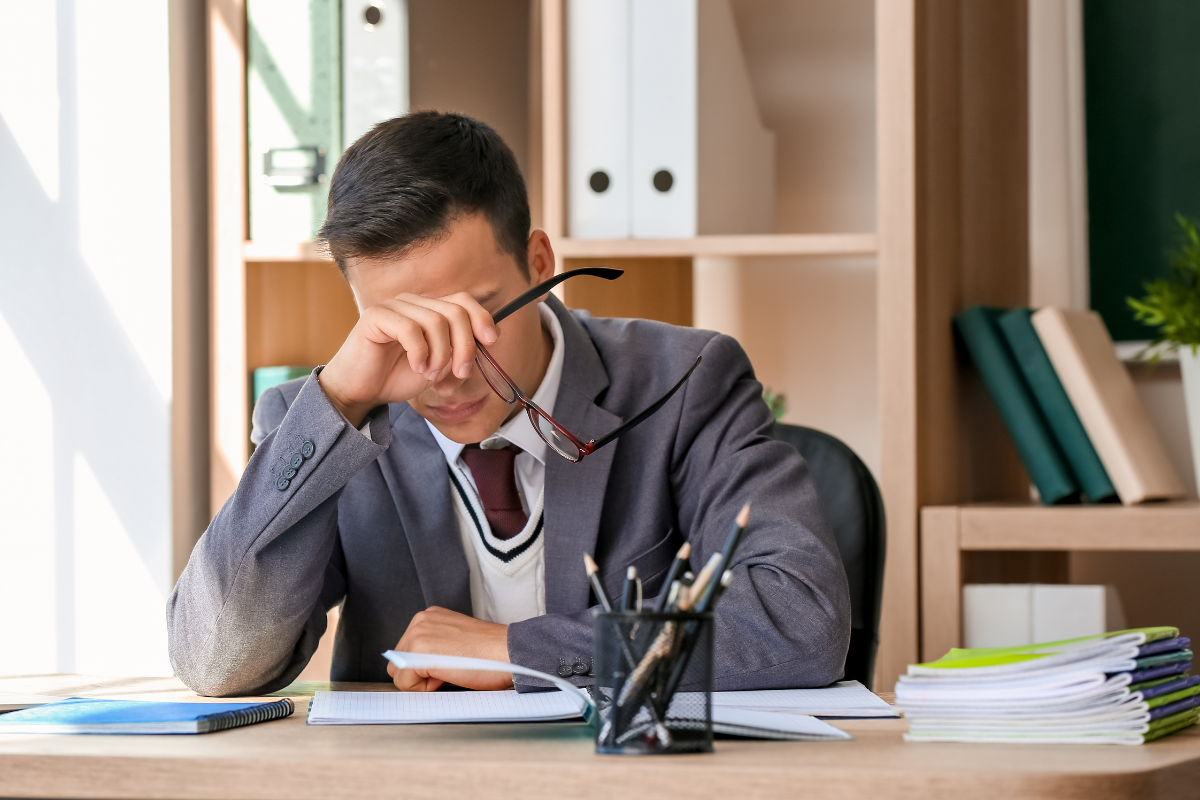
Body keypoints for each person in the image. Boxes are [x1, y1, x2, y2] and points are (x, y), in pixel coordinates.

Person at [167, 111, 850, 696]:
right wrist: (340, 401)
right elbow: (215, 664)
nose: (448, 370)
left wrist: (518, 651)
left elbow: (803, 621)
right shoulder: (322, 422)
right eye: (405, 331)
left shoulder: (684, 381)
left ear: (541, 262)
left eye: (477, 316)